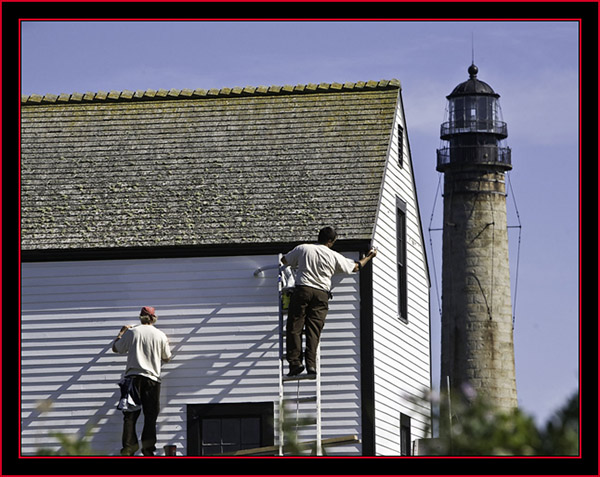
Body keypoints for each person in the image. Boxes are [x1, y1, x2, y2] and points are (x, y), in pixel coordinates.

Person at [281, 226, 377, 377]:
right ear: (331, 241)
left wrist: (299, 263)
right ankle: (311, 365)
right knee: (313, 331)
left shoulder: (303, 248)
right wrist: (369, 256)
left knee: (295, 326)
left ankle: (295, 363)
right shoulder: (334, 256)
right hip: (321, 295)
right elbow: (356, 267)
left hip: (303, 290)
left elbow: (284, 260)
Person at [112, 306, 172, 456]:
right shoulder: (160, 335)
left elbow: (116, 349)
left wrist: (121, 334)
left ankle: (128, 450)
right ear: (154, 318)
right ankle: (148, 450)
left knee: (130, 416)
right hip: (152, 379)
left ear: (141, 317)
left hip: (133, 379)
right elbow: (167, 357)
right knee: (150, 417)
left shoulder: (132, 332)